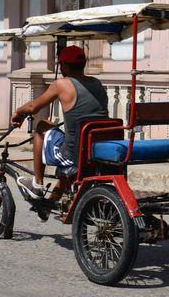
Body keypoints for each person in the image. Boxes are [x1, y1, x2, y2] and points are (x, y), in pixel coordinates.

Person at [10, 45, 108, 210]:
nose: (60, 68)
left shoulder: (62, 84)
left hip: (74, 153)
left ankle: (37, 184)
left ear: (65, 66)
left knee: (41, 126)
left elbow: (34, 106)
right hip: (95, 148)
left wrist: (18, 112)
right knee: (52, 127)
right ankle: (50, 203)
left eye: (61, 65)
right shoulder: (96, 83)